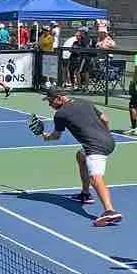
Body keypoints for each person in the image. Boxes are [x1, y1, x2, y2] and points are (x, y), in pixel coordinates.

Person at [37, 88, 122, 227]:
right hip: (109, 141)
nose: (50, 104)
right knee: (81, 156)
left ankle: (109, 211)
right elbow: (105, 119)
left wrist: (46, 137)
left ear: (59, 98)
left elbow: (56, 136)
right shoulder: (84, 102)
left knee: (96, 177)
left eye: (51, 101)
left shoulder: (60, 114)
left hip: (95, 146)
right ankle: (85, 193)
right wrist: (103, 134)